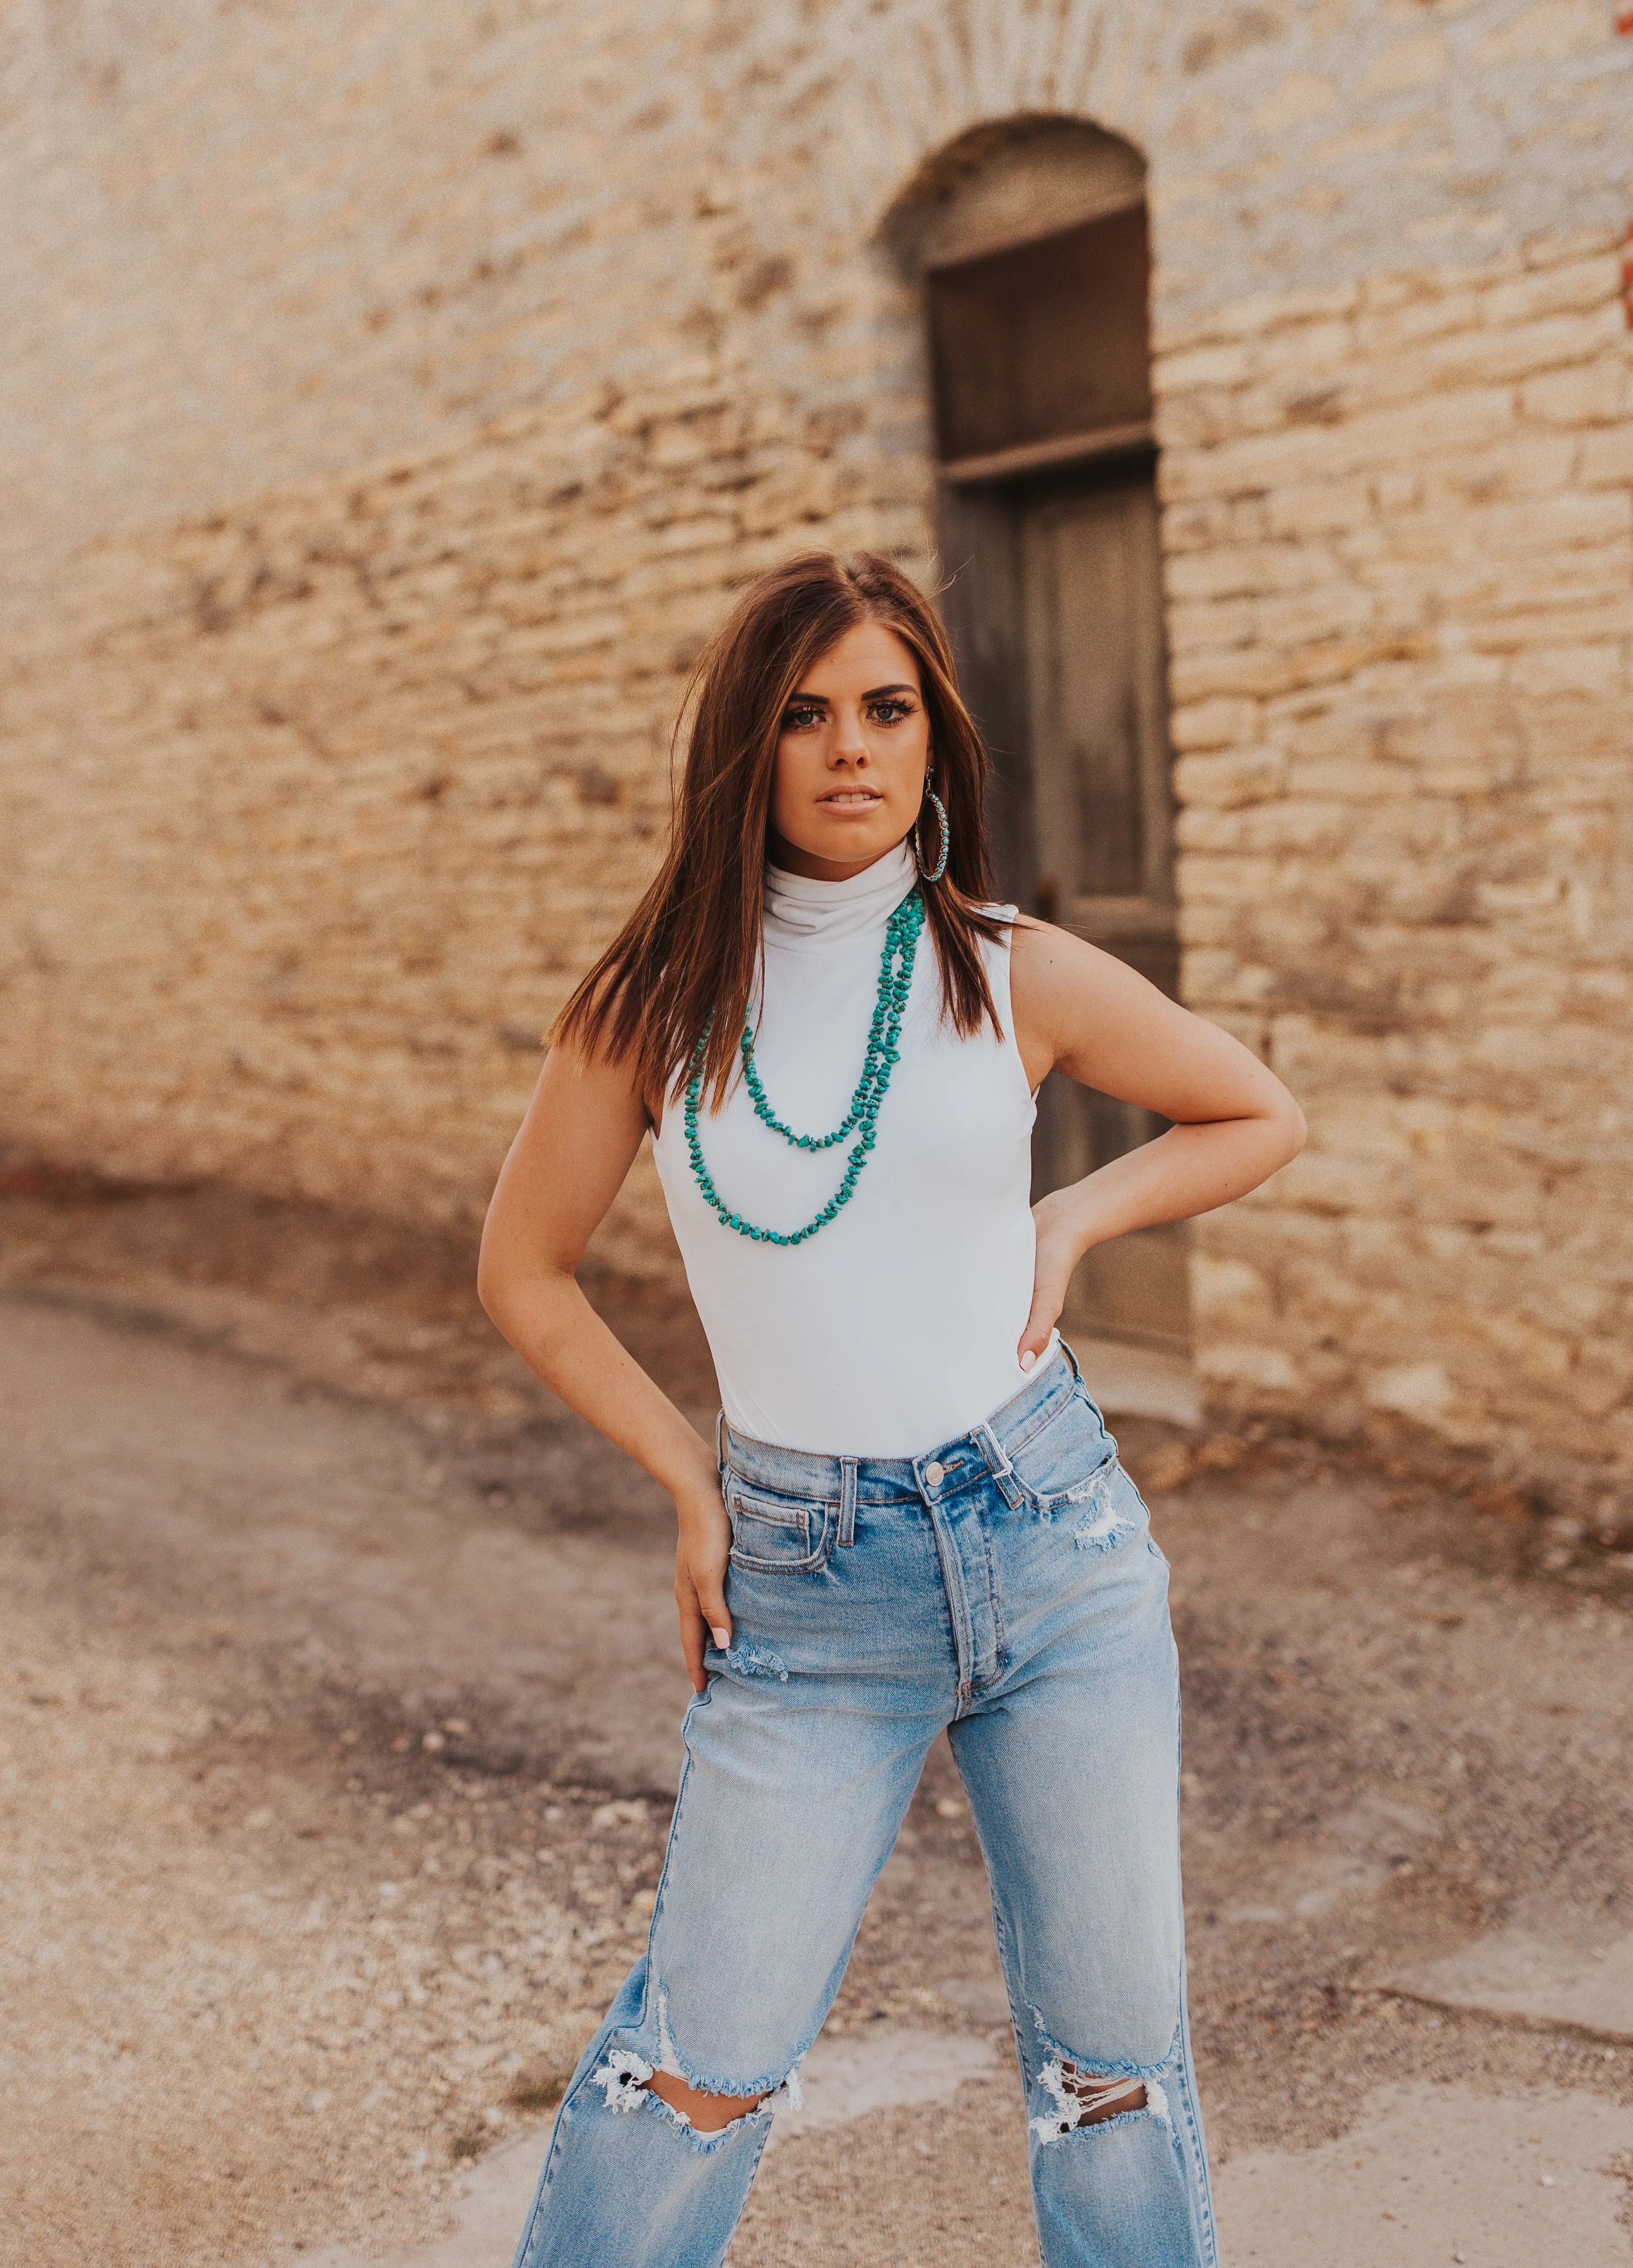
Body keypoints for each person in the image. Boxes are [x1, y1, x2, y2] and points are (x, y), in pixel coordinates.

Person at [478, 549, 1305, 2268]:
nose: (850, 747)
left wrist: (1075, 1215)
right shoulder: (650, 1003)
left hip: (1058, 1546)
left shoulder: (1007, 968)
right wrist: (691, 1485)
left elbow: (1254, 1113)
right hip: (807, 1582)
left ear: (935, 737)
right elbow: (524, 1268)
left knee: (1116, 2079)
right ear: (746, 747)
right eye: (803, 713)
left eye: (887, 707)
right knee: (692, 2072)